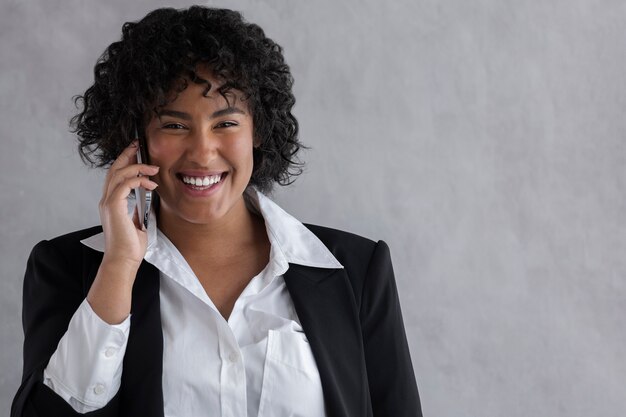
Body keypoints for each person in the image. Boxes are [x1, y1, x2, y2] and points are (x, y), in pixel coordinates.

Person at [11, 6, 422, 417]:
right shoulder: (68, 269)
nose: (203, 153)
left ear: (257, 129)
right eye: (174, 125)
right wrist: (119, 266)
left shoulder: (355, 271)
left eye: (225, 124)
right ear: (136, 138)